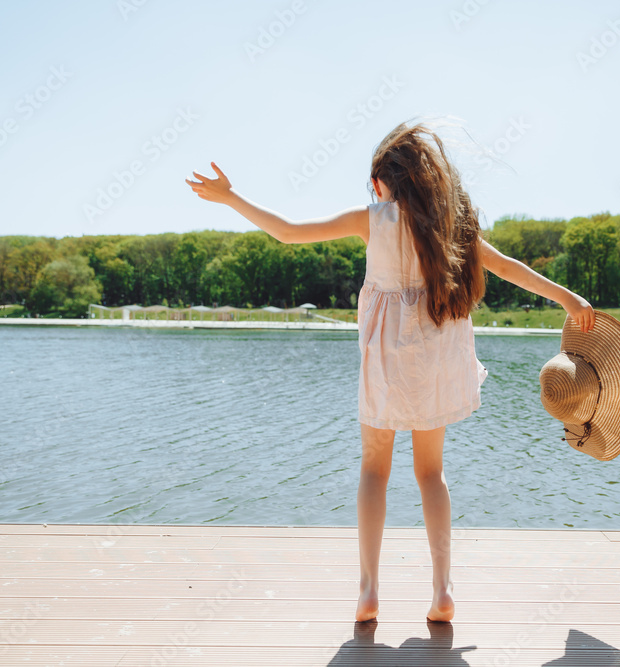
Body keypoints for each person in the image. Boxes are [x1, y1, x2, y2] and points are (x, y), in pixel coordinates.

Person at [185, 120, 595, 623]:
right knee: (431, 473)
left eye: (371, 184)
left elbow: (288, 232)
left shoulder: (373, 219)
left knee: (375, 469)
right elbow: (506, 266)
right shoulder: (452, 228)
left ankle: (368, 591)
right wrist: (567, 297)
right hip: (438, 354)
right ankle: (443, 590)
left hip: (386, 359)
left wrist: (232, 198)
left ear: (383, 183)